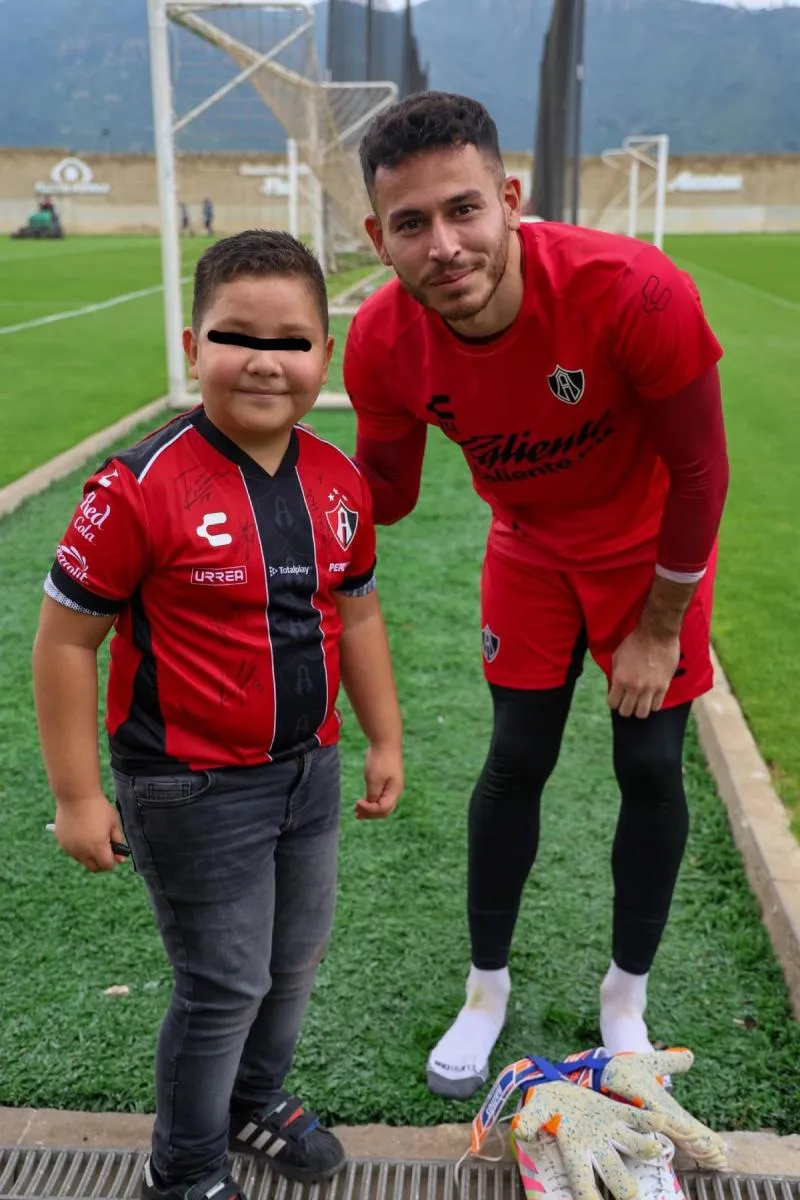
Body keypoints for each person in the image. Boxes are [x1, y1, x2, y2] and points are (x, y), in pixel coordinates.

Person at [343, 92, 729, 1100]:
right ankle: (483, 990)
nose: (445, 245)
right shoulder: (382, 339)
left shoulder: (631, 290)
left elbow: (699, 475)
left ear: (508, 199)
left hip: (650, 548)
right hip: (527, 549)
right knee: (516, 754)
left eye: (463, 209)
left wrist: (657, 627)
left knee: (648, 761)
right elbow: (382, 494)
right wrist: (266, 440)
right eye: (412, 224)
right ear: (375, 237)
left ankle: (623, 995)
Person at [33, 230, 404, 1199]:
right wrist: (77, 798)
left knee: (291, 965)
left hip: (307, 774)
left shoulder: (336, 480)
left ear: (325, 351)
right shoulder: (137, 487)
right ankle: (184, 1168)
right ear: (192, 344)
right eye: (237, 336)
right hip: (189, 787)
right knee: (223, 984)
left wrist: (384, 736)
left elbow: (356, 615)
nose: (264, 362)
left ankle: (252, 1102)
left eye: (291, 341)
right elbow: (67, 643)